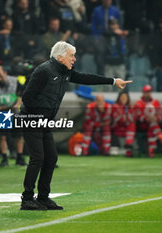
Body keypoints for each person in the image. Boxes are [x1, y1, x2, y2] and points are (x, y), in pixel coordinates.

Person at [20, 41, 131, 210]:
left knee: (51, 158)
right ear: (60, 56)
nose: (74, 59)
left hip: (43, 121)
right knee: (38, 158)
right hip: (32, 118)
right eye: (71, 55)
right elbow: (27, 97)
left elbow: (87, 78)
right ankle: (27, 198)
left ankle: (43, 198)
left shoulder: (65, 71)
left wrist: (113, 81)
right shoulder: (44, 70)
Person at [0, 64, 26, 167]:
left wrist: (17, 105)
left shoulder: (14, 81)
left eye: (1, 75)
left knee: (19, 136)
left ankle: (20, 158)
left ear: (5, 73)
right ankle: (4, 158)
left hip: (14, 111)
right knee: (2, 136)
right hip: (1, 112)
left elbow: (20, 96)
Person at [133, 85, 162, 158]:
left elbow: (160, 115)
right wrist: (146, 118)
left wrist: (156, 118)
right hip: (142, 125)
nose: (148, 93)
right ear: (143, 92)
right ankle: (159, 135)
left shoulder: (155, 102)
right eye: (146, 92)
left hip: (152, 126)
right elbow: (137, 116)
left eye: (149, 92)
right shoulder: (138, 103)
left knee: (152, 127)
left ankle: (151, 151)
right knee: (152, 125)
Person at [111, 91, 136, 157]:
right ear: (119, 98)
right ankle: (128, 146)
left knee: (132, 125)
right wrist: (123, 117)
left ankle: (128, 144)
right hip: (117, 127)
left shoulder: (130, 107)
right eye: (122, 97)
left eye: (125, 97)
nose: (123, 99)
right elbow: (115, 118)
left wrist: (125, 117)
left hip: (127, 128)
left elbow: (132, 119)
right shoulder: (115, 106)